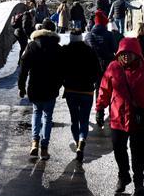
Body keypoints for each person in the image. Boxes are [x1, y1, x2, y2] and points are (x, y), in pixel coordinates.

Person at [96, 36, 144, 196]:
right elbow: (104, 89)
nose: (125, 56)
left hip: (139, 119)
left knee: (139, 151)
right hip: (118, 118)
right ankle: (123, 176)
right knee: (119, 149)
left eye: (129, 53)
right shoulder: (113, 67)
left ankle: (139, 181)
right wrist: (99, 109)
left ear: (136, 53)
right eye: (122, 53)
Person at [18, 19, 63, 161]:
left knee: (37, 113)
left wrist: (21, 86)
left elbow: (23, 67)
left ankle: (34, 142)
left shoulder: (31, 45)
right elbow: (63, 70)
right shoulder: (58, 47)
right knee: (47, 117)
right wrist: (59, 85)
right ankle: (44, 148)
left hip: (35, 86)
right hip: (51, 87)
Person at [61, 28, 100, 162]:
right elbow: (98, 70)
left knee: (74, 120)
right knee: (84, 119)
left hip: (71, 90)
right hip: (87, 91)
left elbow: (60, 70)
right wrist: (93, 82)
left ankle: (77, 141)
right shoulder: (90, 51)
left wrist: (64, 82)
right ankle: (82, 139)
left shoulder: (65, 51)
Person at [85, 10, 117, 126]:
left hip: (93, 66)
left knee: (99, 89)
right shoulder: (109, 35)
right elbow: (115, 49)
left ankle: (99, 113)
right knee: (112, 89)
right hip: (108, 65)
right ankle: (113, 113)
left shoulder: (89, 36)